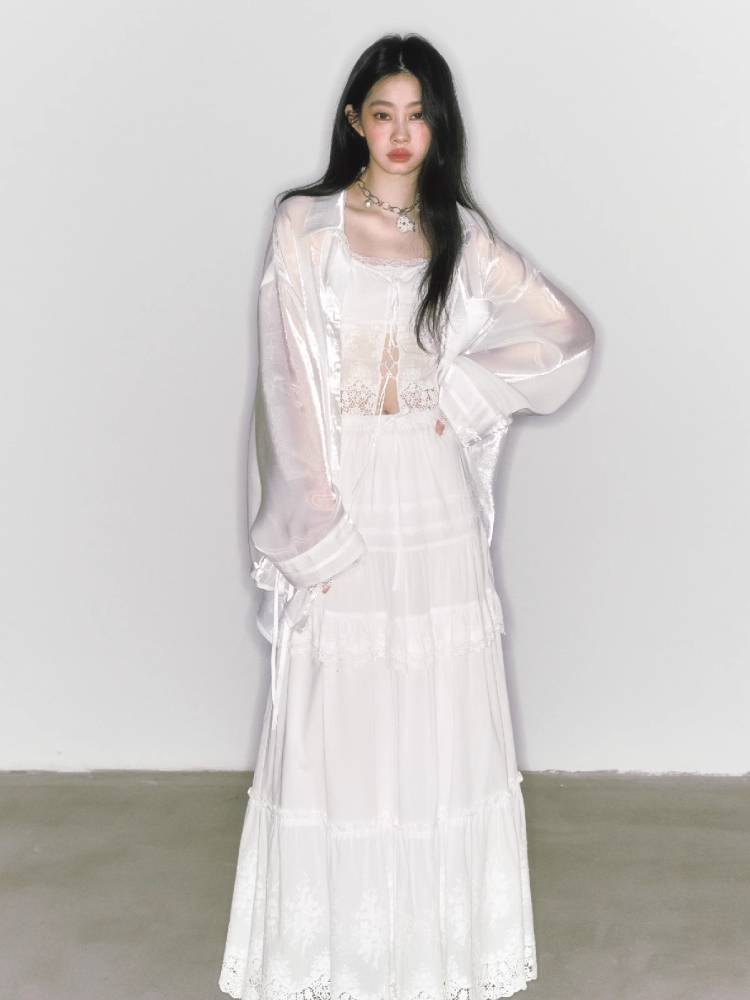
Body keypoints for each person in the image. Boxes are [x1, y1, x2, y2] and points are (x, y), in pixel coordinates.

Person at [219, 32, 595, 1000]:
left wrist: (464, 392)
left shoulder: (459, 233)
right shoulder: (305, 226)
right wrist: (312, 517)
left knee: (434, 708)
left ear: (439, 126)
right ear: (354, 121)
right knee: (335, 714)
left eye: (418, 114)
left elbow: (564, 334)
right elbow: (284, 383)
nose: (400, 132)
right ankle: (335, 956)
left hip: (432, 497)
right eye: (382, 113)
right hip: (343, 486)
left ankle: (435, 954)